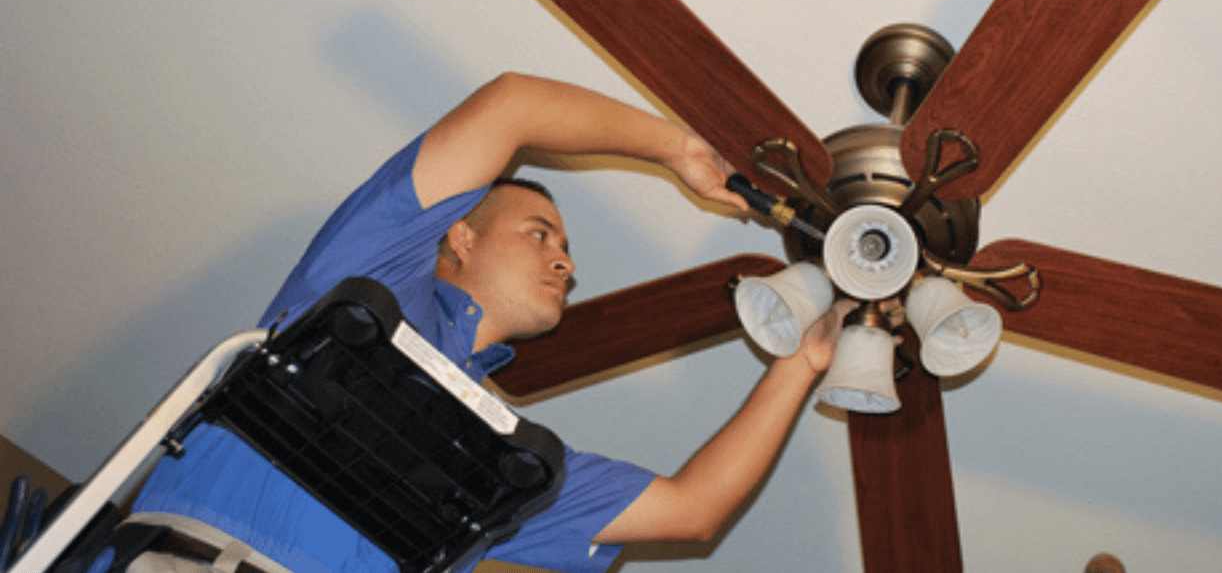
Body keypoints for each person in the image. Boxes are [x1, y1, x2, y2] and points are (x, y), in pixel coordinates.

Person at [129, 72, 854, 573]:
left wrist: (803, 363)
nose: (566, 263)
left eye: (566, 250)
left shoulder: (500, 464)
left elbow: (694, 511)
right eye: (540, 233)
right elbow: (511, 106)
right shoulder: (366, 280)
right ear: (460, 237)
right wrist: (679, 150)